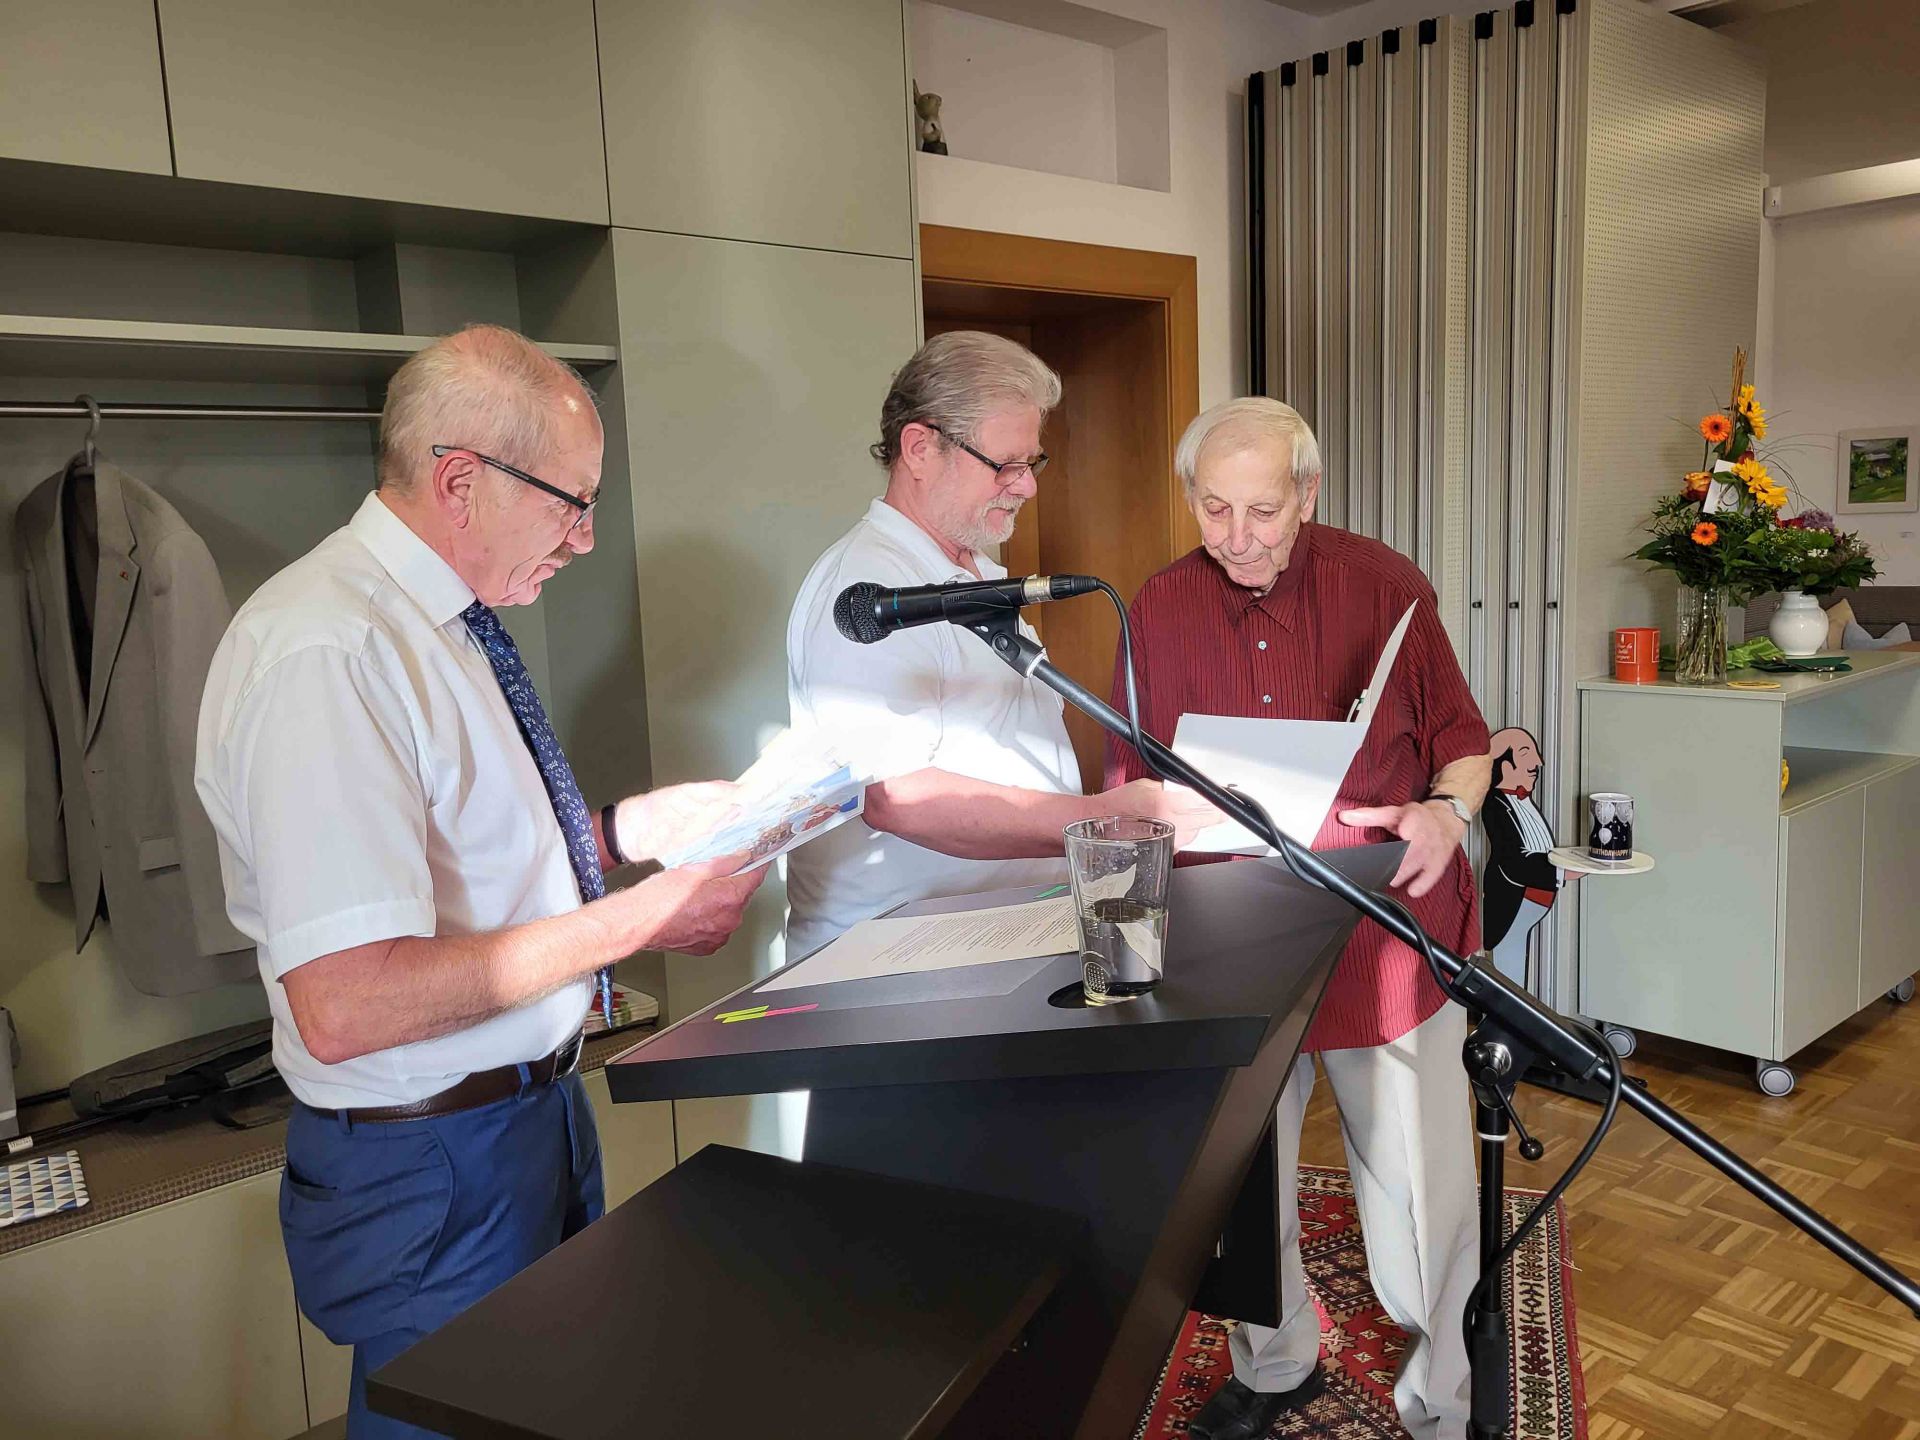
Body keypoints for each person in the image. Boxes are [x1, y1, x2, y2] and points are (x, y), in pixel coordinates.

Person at [195, 324, 764, 1438]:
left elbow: (466, 862)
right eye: (571, 504)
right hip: (436, 1161)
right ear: (461, 482)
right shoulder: (330, 651)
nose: (585, 539)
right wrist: (637, 922)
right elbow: (348, 1001)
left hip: (526, 1118)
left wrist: (623, 831)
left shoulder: (446, 625)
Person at [1107, 398, 1489, 1440]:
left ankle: (1445, 1398)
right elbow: (1126, 790)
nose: (1236, 537)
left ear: (1308, 495)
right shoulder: (1157, 608)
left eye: (1263, 511)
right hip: (1233, 942)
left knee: (1421, 1192)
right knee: (1242, 1186)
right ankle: (1275, 1365)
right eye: (1213, 508)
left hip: (1384, 935)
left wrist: (1446, 813)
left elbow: (1465, 743)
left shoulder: (1387, 588)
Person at [785, 330, 1214, 958]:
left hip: (993, 943)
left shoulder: (975, 575)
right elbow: (897, 795)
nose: (1027, 487)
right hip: (898, 964)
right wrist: (1097, 818)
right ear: (920, 448)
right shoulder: (869, 587)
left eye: (1031, 463)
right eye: (1005, 465)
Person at [1481, 726, 1569, 990]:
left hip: (1530, 904)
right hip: (1513, 903)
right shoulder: (1495, 805)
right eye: (1526, 753)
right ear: (1506, 767)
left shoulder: (1523, 801)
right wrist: (1563, 871)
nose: (1538, 762)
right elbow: (1513, 862)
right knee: (1509, 980)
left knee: (1516, 977)